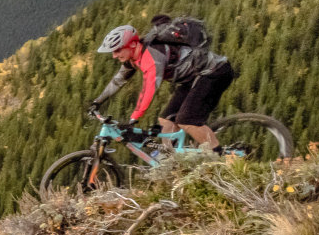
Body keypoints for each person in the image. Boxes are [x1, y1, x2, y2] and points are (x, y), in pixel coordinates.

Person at [89, 18, 235, 150]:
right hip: (193, 78)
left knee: (187, 120)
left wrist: (133, 119)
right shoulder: (132, 59)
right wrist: (97, 102)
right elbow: (118, 80)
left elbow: (149, 89)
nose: (114, 55)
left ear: (133, 44)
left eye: (118, 50)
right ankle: (172, 160)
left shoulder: (152, 57)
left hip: (215, 72)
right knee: (167, 120)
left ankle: (223, 156)